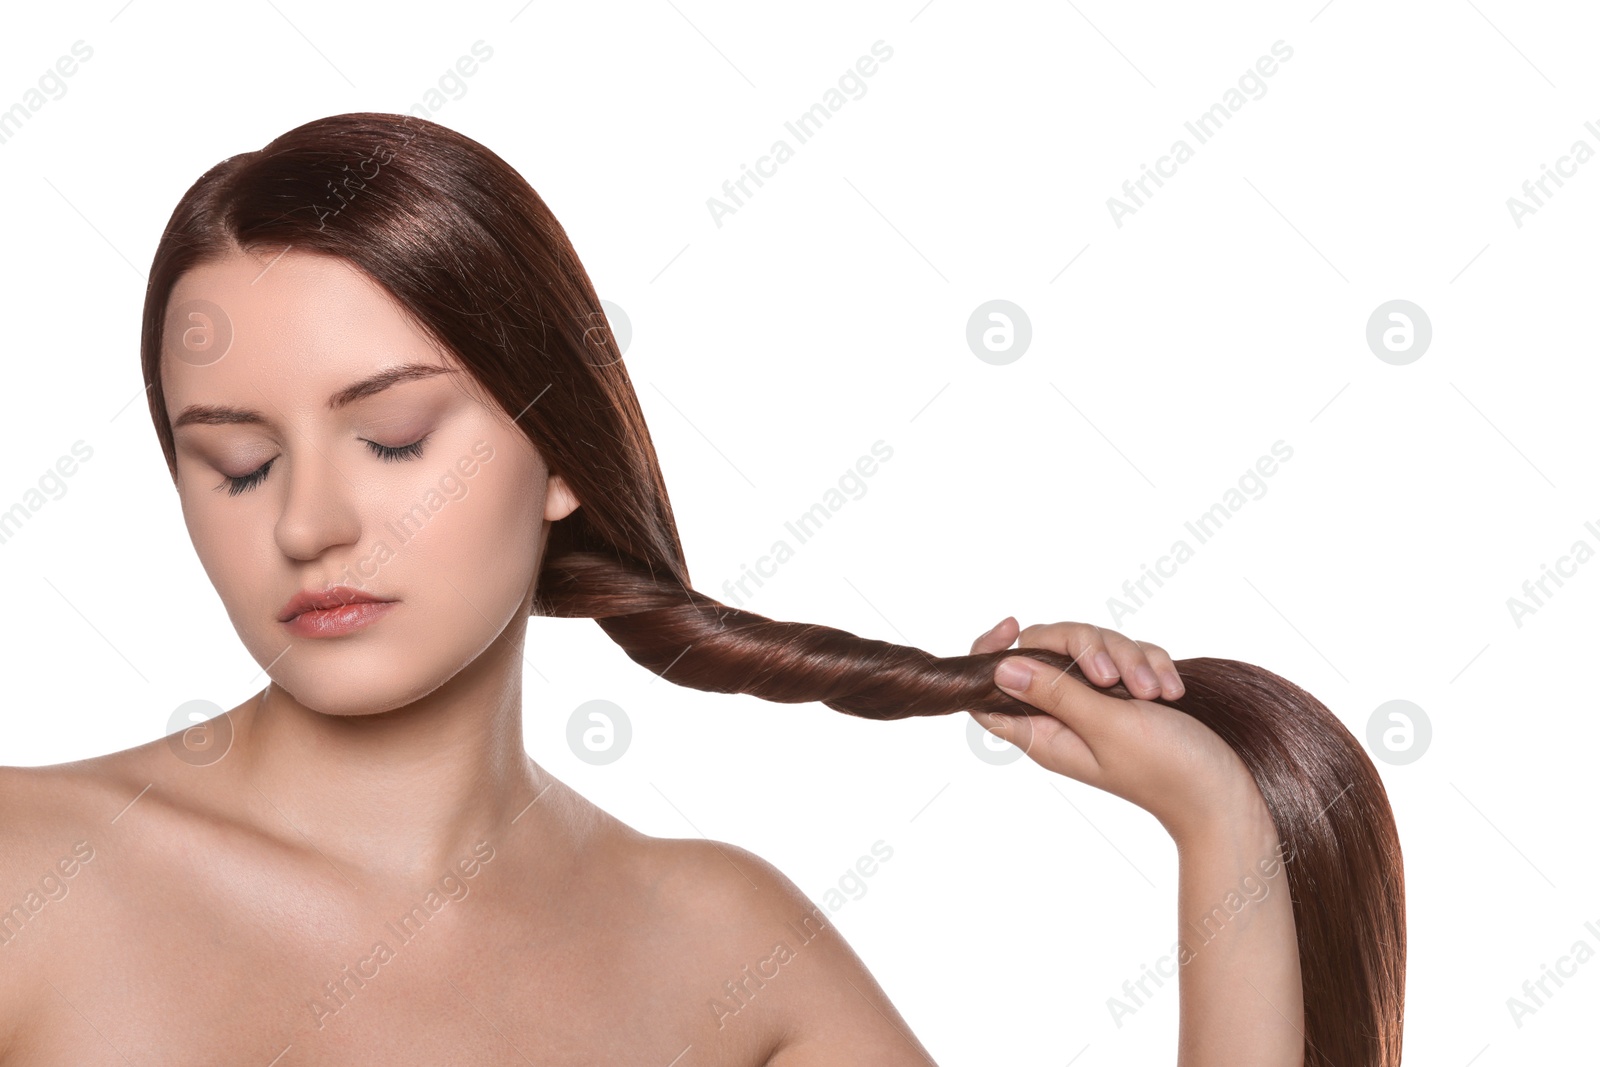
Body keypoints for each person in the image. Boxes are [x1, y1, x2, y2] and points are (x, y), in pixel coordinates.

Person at [0, 112, 1400, 1064]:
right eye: (236, 465)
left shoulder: (721, 946)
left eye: (393, 439)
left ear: (560, 456)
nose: (307, 521)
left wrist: (1222, 827)